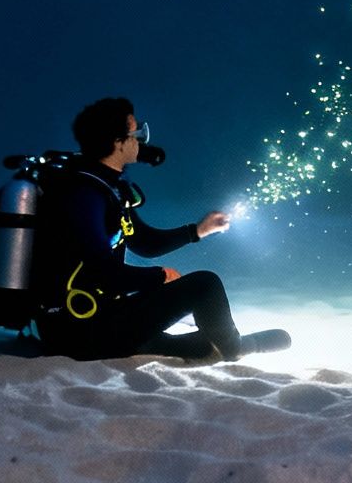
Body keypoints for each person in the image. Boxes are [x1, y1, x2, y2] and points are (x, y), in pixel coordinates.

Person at [31, 96, 287, 361]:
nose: (141, 139)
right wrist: (158, 276)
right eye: (136, 132)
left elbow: (144, 242)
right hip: (77, 328)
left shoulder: (107, 187)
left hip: (96, 314)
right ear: (118, 143)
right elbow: (102, 272)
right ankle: (236, 349)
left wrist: (197, 231)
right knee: (205, 285)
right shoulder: (85, 195)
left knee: (201, 344)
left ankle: (184, 345)